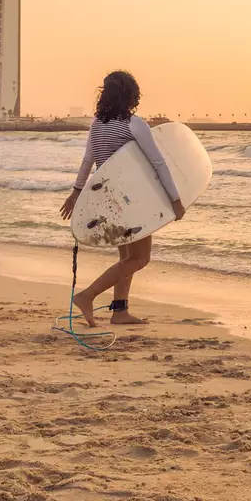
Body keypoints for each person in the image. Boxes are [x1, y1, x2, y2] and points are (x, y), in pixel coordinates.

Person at [59, 71, 185, 326]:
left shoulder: (97, 124)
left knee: (126, 258)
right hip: (133, 199)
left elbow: (89, 162)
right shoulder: (134, 124)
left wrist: (76, 193)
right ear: (131, 95)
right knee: (140, 258)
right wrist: (175, 200)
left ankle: (120, 311)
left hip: (107, 199)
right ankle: (88, 295)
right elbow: (158, 164)